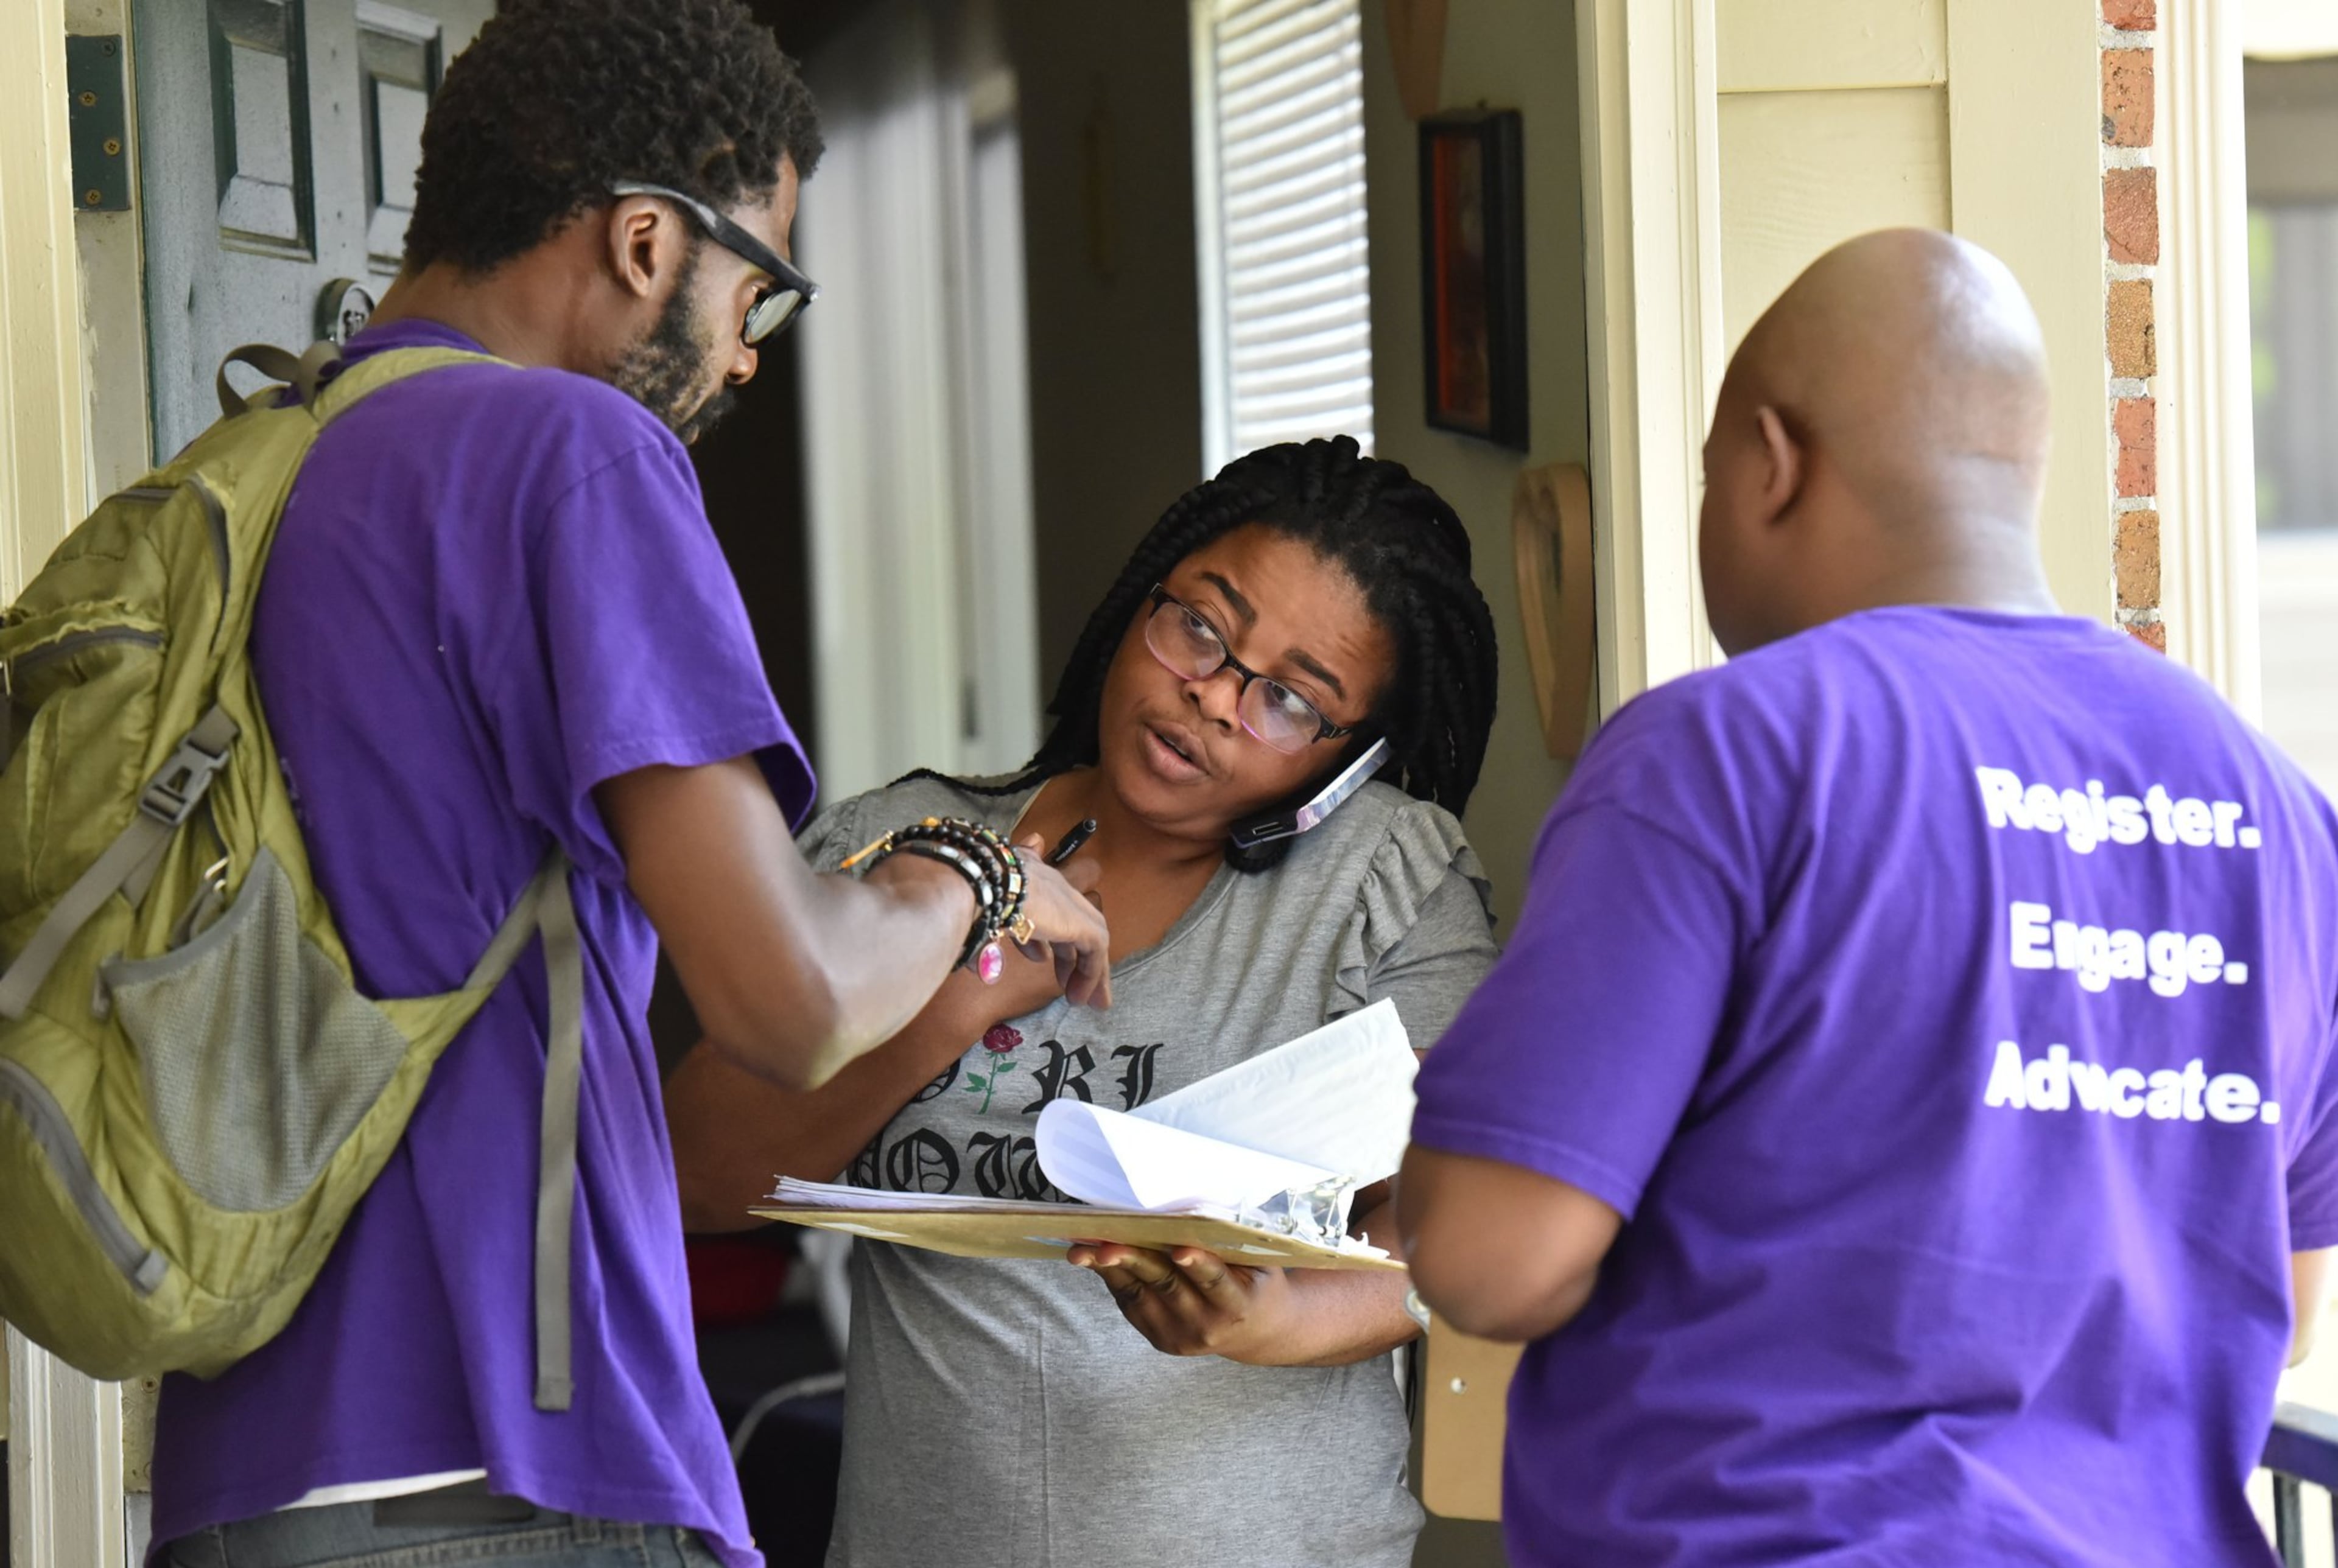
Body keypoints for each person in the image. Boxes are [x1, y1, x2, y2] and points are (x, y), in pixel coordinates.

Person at [149, 4, 1110, 1567]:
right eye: (759, 294)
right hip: (503, 1463)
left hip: (250, 1459)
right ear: (650, 242)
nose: (741, 356)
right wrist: (969, 872)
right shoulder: (571, 456)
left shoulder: (277, 450)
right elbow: (788, 998)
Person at [1398, 228, 2338, 1566]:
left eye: (1711, 471)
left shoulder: (1725, 751)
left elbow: (1496, 1258)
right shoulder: (2280, 813)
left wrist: (1474, 1140)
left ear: (1772, 465)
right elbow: (2290, 1298)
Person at [667, 436, 1502, 1567]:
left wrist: (1279, 1321)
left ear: (1348, 761)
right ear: (1137, 605)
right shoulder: (902, 848)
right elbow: (701, 1180)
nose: (1211, 694)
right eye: (1200, 628)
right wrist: (973, 980)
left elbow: (1466, 1218)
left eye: (1291, 702)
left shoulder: (1387, 886)